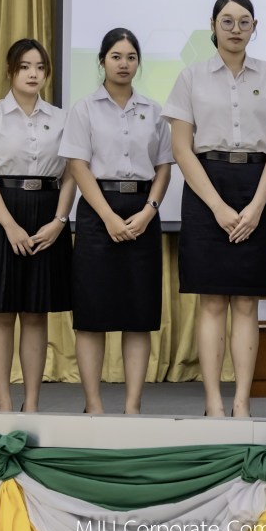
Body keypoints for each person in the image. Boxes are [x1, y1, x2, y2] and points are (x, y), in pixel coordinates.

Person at [165, 0, 266, 418]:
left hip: (256, 185)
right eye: (227, 21)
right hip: (207, 186)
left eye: (244, 21)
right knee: (211, 302)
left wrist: (258, 205)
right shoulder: (191, 77)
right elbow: (182, 149)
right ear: (213, 25)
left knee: (246, 303)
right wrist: (217, 207)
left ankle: (240, 402)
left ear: (255, 27)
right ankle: (213, 404)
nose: (235, 29)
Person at [59, 28, 172, 414]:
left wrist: (149, 210)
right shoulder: (84, 108)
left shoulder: (153, 110)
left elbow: (163, 167)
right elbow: (77, 166)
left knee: (138, 316)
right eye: (116, 56)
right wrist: (107, 216)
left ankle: (133, 406)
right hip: (97, 212)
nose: (124, 64)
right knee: (92, 315)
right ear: (102, 61)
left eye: (131, 57)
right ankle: (93, 405)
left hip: (143, 211)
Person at [0, 38, 76, 413]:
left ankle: (32, 405)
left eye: (40, 67)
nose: (33, 74)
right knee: (1, 310)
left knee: (36, 312)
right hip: (1, 211)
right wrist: (9, 225)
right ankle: (5, 403)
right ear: (11, 71)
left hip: (47, 211)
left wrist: (60, 221)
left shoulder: (62, 118)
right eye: (25, 66)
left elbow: (72, 175)